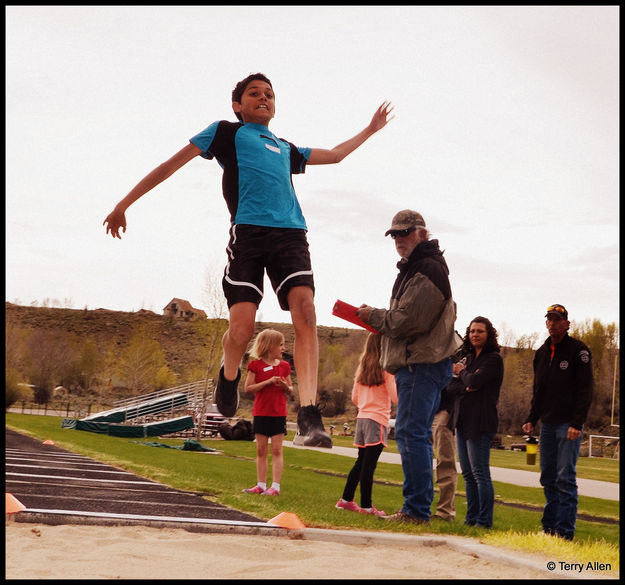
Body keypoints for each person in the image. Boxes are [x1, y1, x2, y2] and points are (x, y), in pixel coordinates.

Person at [103, 73, 394, 448]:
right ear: (237, 105)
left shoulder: (284, 147)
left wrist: (369, 129)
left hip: (291, 234)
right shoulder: (224, 132)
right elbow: (169, 166)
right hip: (249, 235)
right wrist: (123, 204)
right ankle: (228, 375)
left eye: (270, 94)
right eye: (254, 93)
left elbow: (335, 155)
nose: (264, 98)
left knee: (305, 312)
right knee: (242, 329)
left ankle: (309, 414)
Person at [355, 210, 461, 524]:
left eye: (405, 233)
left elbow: (406, 320)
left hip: (420, 365)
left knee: (411, 434)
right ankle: (417, 508)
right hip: (421, 365)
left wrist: (371, 315)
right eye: (395, 235)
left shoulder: (426, 269)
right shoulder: (419, 268)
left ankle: (415, 510)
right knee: (412, 434)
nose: (399, 240)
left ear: (421, 233)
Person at [522, 304, 593, 541]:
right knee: (548, 477)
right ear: (546, 323)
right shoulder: (541, 352)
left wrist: (576, 422)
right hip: (548, 425)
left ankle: (564, 533)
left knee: (565, 477)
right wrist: (532, 418)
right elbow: (538, 391)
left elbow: (585, 390)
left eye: (557, 320)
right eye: (549, 319)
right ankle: (548, 529)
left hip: (568, 425)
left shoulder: (578, 351)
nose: (552, 323)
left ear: (566, 324)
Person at [336, 333, 397, 516]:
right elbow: (396, 398)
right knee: (369, 466)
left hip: (362, 418)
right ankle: (367, 506)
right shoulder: (386, 370)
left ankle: (346, 500)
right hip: (377, 419)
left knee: (361, 462)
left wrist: (365, 405)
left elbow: (355, 397)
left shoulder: (361, 369)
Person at [453, 317, 503, 529]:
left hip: (481, 422)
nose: (475, 334)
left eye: (480, 331)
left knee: (480, 473)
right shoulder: (468, 357)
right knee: (466, 473)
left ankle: (484, 521)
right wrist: (466, 383)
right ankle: (470, 519)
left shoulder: (493, 359)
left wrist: (463, 375)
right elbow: (450, 387)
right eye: (472, 331)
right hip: (462, 421)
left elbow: (473, 381)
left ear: (488, 334)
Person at [242, 329, 293, 496]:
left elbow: (291, 389)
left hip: (279, 413)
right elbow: (248, 388)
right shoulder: (255, 365)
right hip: (261, 412)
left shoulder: (285, 366)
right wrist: (268, 382)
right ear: (270, 346)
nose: (283, 348)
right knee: (261, 450)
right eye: (280, 345)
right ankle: (261, 485)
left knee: (277, 450)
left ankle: (275, 487)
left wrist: (284, 386)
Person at [431, 348, 466, 521]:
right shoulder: (435, 346)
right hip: (429, 407)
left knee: (445, 460)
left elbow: (462, 386)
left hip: (446, 410)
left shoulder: (461, 352)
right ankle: (417, 506)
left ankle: (445, 511)